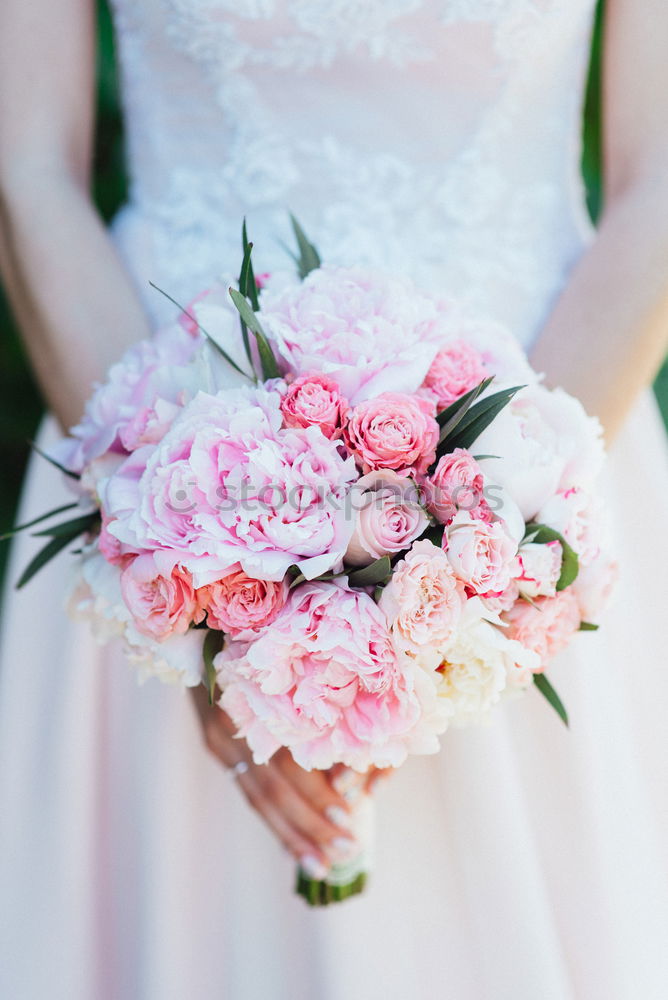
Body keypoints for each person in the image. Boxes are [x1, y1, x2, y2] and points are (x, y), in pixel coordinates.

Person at [1, 1, 667, 997]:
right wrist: (186, 577)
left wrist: (490, 557)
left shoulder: (516, 524)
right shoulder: (163, 519)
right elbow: (28, 173)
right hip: (155, 466)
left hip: (543, 456)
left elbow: (655, 182)